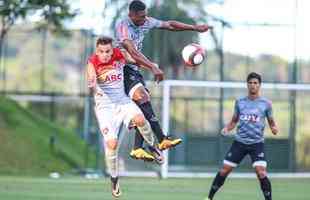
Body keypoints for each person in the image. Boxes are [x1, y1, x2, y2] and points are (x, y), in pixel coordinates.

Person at [115, 0, 213, 161]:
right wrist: (152, 67)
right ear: (130, 15)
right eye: (140, 17)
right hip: (120, 70)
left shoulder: (146, 21)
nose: (144, 19)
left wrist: (194, 28)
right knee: (143, 99)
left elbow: (170, 25)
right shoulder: (123, 27)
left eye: (145, 15)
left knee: (143, 105)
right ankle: (161, 139)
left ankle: (138, 148)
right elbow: (132, 52)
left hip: (133, 69)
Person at [86, 36, 162, 197]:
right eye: (101, 51)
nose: (105, 54)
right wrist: (92, 82)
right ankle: (114, 179)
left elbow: (134, 60)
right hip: (105, 108)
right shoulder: (92, 62)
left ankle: (152, 146)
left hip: (122, 101)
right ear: (96, 51)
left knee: (141, 119)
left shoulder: (118, 55)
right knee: (112, 144)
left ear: (112, 49)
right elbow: (91, 76)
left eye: (108, 51)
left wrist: (151, 66)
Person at [206, 72, 279, 200]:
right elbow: (234, 120)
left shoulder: (266, 104)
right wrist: (227, 128)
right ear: (247, 85)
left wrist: (274, 128)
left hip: (257, 144)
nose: (253, 85)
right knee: (224, 170)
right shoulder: (240, 102)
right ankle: (209, 197)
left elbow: (271, 122)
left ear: (259, 85)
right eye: (250, 83)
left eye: (255, 83)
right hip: (239, 143)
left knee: (261, 172)